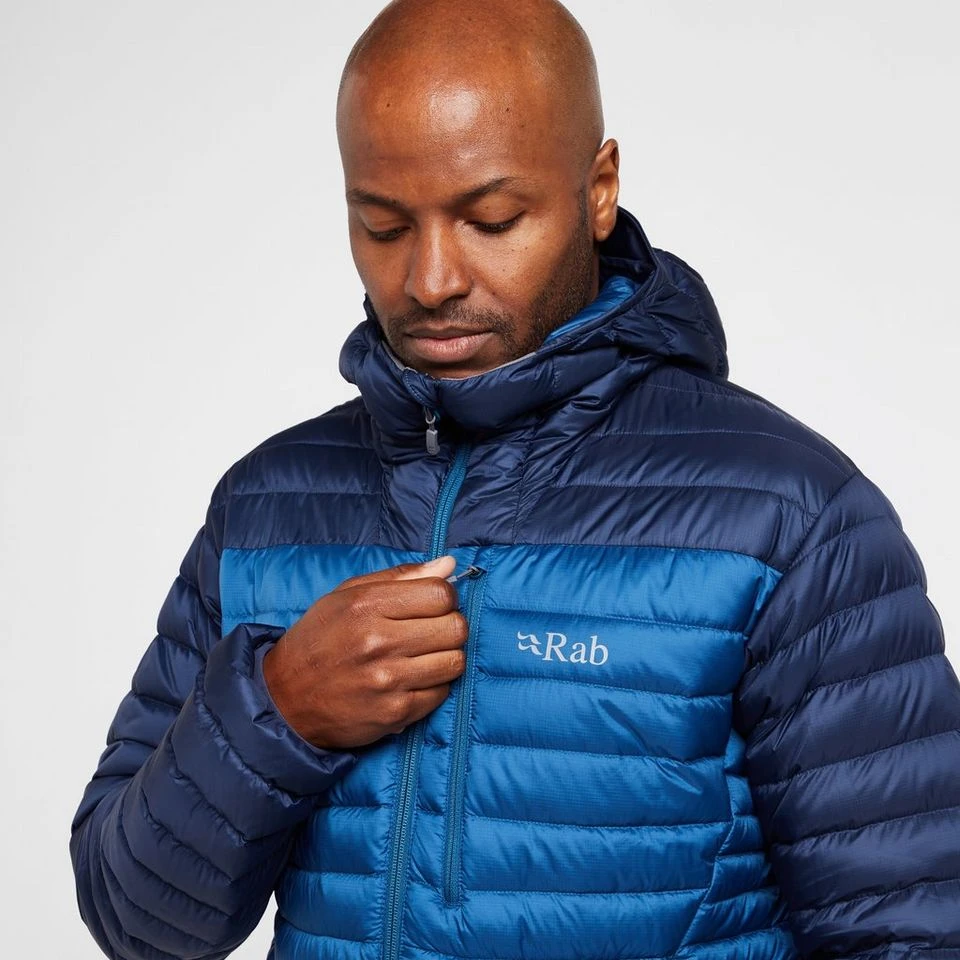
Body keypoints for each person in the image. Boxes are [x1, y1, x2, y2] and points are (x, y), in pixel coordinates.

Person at [70, 0, 960, 957]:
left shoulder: (787, 516)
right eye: (383, 226)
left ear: (598, 189)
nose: (431, 280)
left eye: (491, 219)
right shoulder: (264, 507)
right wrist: (277, 709)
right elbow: (136, 925)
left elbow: (910, 932)